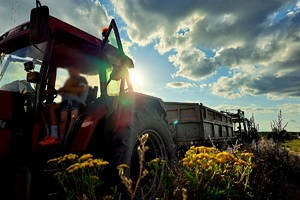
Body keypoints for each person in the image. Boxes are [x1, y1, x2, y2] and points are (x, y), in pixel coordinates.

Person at [39, 66, 88, 146]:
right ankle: (53, 136)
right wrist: (50, 91)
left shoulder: (82, 80)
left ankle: (67, 140)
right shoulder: (69, 81)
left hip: (76, 102)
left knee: (72, 117)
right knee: (51, 109)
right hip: (67, 101)